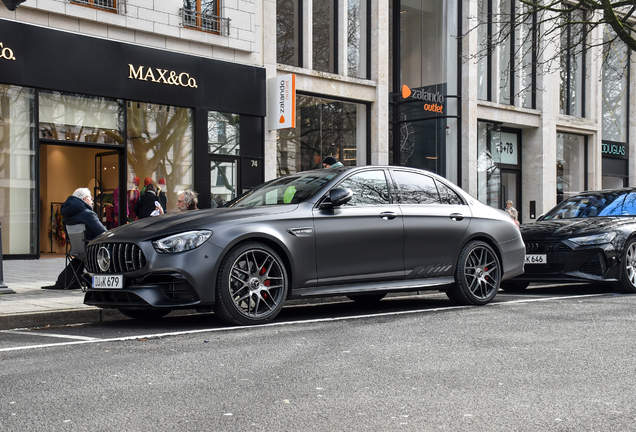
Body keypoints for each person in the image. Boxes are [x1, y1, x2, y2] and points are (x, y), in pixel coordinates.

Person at [42, 188, 107, 290]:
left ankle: (65, 282)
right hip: (91, 250)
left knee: (79, 260)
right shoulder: (87, 214)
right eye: (91, 199)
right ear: (85, 199)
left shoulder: (68, 215)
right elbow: (103, 233)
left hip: (76, 249)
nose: (92, 202)